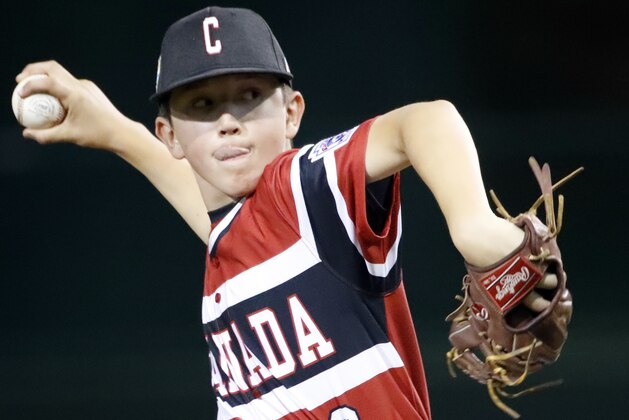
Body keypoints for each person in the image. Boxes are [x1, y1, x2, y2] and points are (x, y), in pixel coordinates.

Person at [15, 6, 557, 419]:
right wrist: (116, 131)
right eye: (201, 106)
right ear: (170, 134)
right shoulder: (236, 237)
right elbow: (209, 211)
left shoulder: (296, 188)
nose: (228, 121)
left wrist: (474, 228)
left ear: (293, 113)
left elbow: (428, 121)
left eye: (248, 95)